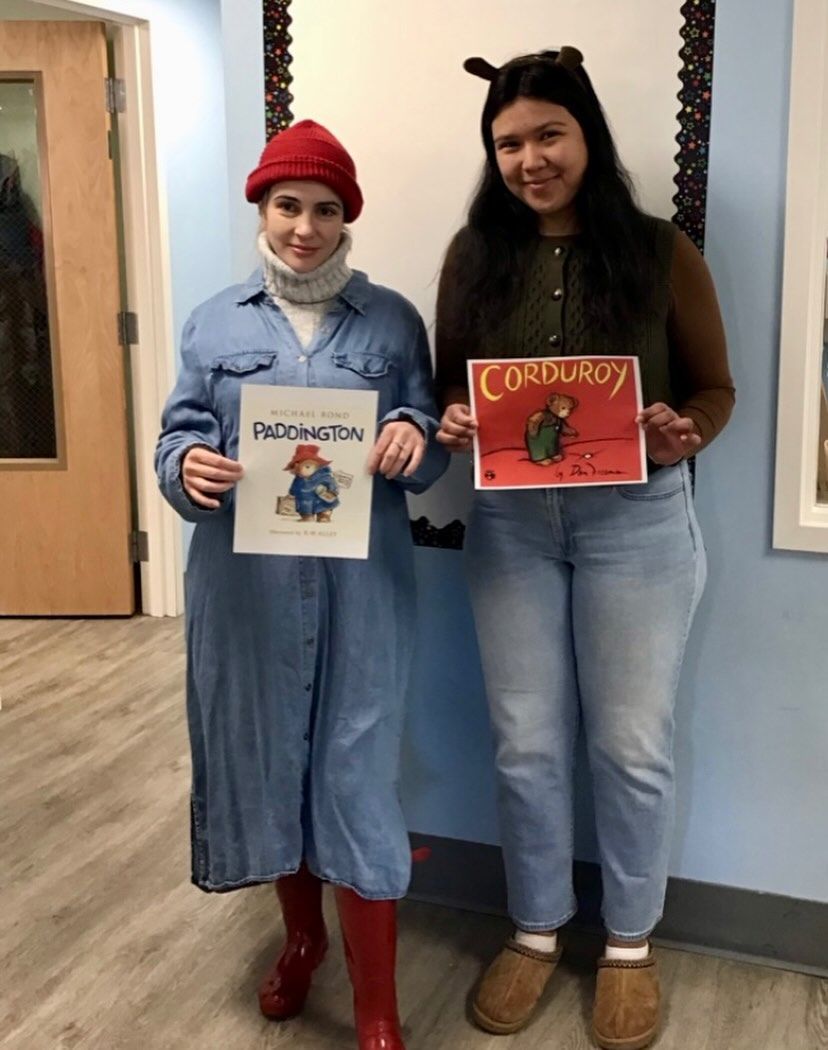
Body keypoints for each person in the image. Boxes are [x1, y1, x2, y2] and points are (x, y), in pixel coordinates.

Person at [435, 48, 734, 1050]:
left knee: (631, 746)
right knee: (525, 744)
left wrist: (683, 430)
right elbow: (447, 388)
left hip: (637, 525)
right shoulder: (474, 258)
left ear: (588, 137)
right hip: (513, 529)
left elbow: (714, 390)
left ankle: (630, 948)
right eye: (508, 141)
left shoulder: (659, 252)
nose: (529, 158)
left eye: (547, 134)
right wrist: (453, 422)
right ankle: (533, 930)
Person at [155, 119, 449, 1050]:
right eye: (288, 205)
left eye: (326, 210)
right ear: (263, 208)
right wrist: (186, 467)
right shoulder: (212, 323)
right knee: (271, 763)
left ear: (347, 220)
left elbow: (427, 439)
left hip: (364, 590)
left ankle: (376, 1002)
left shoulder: (395, 320)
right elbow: (178, 437)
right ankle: (301, 943)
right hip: (247, 591)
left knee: (357, 778)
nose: (305, 228)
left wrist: (412, 436)